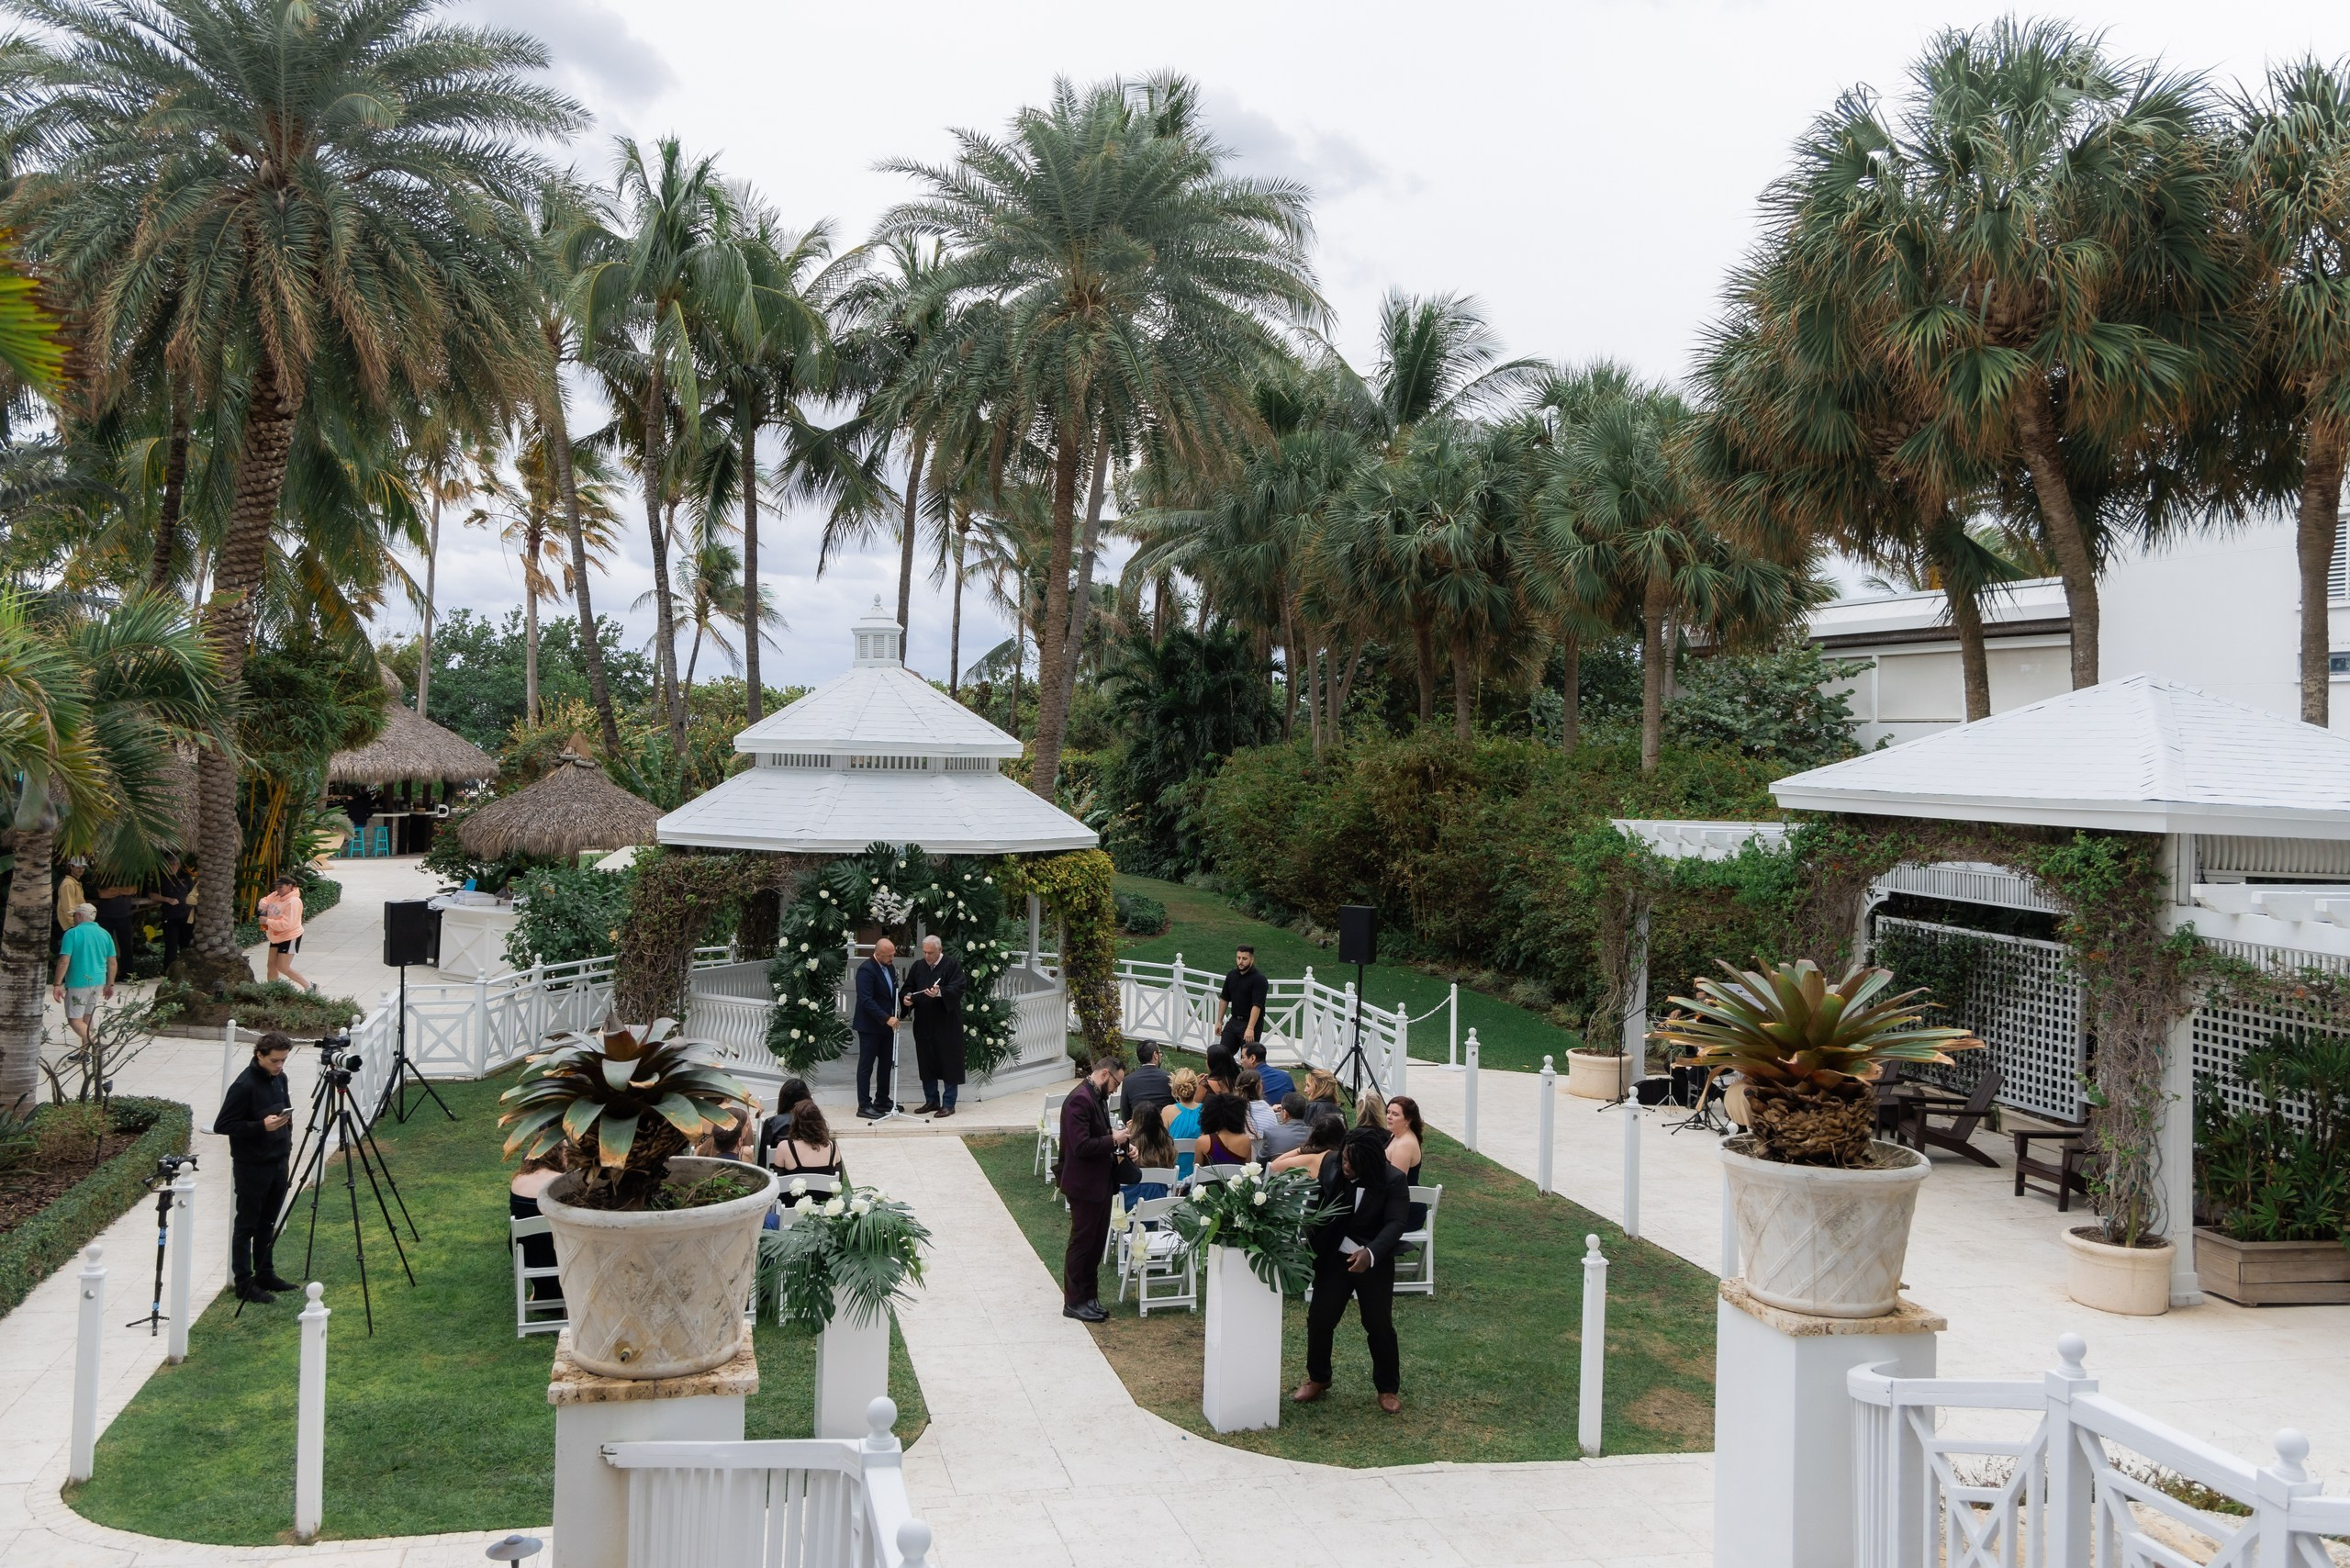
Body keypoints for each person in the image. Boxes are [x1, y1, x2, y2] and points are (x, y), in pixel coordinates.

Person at [1295, 1126, 1410, 1414]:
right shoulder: (1331, 1165)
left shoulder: (1393, 1180)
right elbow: (1315, 1203)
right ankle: (1319, 1377)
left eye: (1351, 1162)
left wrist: (1370, 1253)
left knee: (1378, 1325)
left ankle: (1387, 1388)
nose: (1345, 1165)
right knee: (1320, 1319)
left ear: (1368, 1162)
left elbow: (1396, 1223)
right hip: (1334, 1259)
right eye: (1344, 1158)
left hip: (1373, 1263)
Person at [214, 1032, 299, 1305]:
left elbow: (287, 1115)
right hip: (252, 1165)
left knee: (268, 1222)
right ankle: (243, 1282)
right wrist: (260, 1126)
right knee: (247, 1225)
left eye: (283, 1060)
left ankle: (265, 1274)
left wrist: (286, 1144)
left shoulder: (280, 1079)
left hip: (278, 1161)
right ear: (259, 1055)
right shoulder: (244, 1086)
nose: (279, 1066)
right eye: (275, 1060)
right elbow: (223, 1125)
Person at [1058, 1053, 1130, 1322]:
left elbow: (1099, 1135)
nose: (1116, 1089)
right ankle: (1074, 1301)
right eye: (1116, 1083)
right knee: (1082, 1243)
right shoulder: (1079, 1099)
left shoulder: (1097, 1097)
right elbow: (1081, 1146)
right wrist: (1113, 1140)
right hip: (1083, 1184)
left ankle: (1089, 1296)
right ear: (1104, 1074)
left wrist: (1122, 1143)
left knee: (1096, 1243)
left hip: (1100, 1183)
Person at [904, 934, 968, 1118]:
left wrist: (940, 992)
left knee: (949, 1062)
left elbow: (958, 987)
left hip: (947, 1024)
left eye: (931, 952)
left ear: (940, 950)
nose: (927, 956)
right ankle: (931, 1100)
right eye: (925, 952)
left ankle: (948, 1103)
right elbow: (908, 987)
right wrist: (907, 998)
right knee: (927, 1062)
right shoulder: (918, 966)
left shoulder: (952, 965)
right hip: (924, 1023)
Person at [53, 903, 117, 1048]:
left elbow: (64, 961)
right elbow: (112, 963)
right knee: (87, 1016)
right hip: (98, 981)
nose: (73, 918)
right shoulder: (105, 934)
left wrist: (57, 984)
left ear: (80, 915)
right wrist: (110, 984)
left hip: (78, 981)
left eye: (74, 915)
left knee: (74, 1019)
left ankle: (95, 1043)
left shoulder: (72, 933)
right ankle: (85, 1053)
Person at [852, 936, 902, 1119]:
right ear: (878, 954)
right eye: (889, 955)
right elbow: (866, 1000)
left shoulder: (889, 967)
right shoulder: (866, 970)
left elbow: (891, 993)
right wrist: (886, 1018)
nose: (892, 958)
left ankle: (882, 1099)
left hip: (887, 1026)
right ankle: (864, 1105)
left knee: (886, 1063)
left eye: (893, 954)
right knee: (867, 1065)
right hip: (870, 1026)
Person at [509, 1147, 565, 1301]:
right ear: (557, 1153)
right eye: (565, 1150)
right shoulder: (562, 1181)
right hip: (556, 1249)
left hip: (525, 1251)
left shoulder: (518, 1180)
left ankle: (543, 1293)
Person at [257, 875, 313, 992]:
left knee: (283, 967)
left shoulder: (294, 902)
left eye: (281, 887)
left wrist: (267, 921)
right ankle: (272, 990)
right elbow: (266, 899)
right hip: (276, 936)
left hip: (290, 936)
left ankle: (309, 987)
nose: (278, 889)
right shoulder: (276, 895)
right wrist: (263, 905)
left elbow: (286, 924)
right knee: (271, 964)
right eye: (276, 887)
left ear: (289, 886)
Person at [1120, 1102, 1178, 1213]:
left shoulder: (1130, 1147)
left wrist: (1128, 1134)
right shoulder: (1166, 1146)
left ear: (1135, 1122)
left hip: (1129, 1204)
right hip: (1159, 1203)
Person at [769, 1100, 844, 1182]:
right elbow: (838, 1182)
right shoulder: (832, 1147)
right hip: (825, 1190)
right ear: (820, 1122)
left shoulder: (784, 1147)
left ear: (795, 1123)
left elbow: (778, 1183)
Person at [1215, 945, 1268, 1056]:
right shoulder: (1231, 975)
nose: (1240, 961)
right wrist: (1219, 1021)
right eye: (1238, 958)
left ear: (1252, 959)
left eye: (1244, 959)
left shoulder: (1259, 979)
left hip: (1251, 1023)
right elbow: (1224, 999)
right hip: (1234, 1021)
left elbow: (1257, 1005)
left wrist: (1250, 1028)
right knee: (1222, 1055)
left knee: (1248, 1059)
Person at [755, 1077, 812, 1167]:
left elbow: (763, 1160)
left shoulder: (772, 1123)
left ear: (783, 1099)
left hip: (778, 1172)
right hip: (812, 1171)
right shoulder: (816, 1122)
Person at [1192, 1092, 1254, 1174]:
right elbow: (1248, 1171)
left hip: (1208, 1182)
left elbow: (1197, 1171)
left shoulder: (1202, 1141)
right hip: (1236, 1182)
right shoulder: (1246, 1141)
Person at [1270, 1111, 1346, 1176]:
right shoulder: (1346, 1159)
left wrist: (1303, 1149)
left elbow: (1274, 1166)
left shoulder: (1310, 1159)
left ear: (1314, 1135)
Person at [154, 856, 196, 972]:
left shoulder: (185, 876)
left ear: (179, 865)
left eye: (176, 864)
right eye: (171, 864)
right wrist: (167, 899)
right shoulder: (161, 877)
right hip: (170, 916)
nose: (173, 866)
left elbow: (193, 893)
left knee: (186, 945)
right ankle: (169, 972)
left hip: (186, 916)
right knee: (171, 945)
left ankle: (186, 971)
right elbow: (153, 895)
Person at [1161, 1069, 1203, 1181]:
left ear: (1175, 1091)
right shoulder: (1205, 1111)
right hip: (1197, 1176)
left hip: (1172, 1176)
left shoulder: (1167, 1112)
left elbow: (1161, 1143)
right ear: (1196, 1088)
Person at [1119, 1039, 1171, 1119]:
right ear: (1155, 1055)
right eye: (1160, 1053)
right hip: (1164, 1125)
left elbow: (1125, 1114)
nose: (1160, 1056)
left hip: (1138, 1125)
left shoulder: (1128, 1081)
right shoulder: (1169, 1078)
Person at [1238, 1040, 1294, 1106]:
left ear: (1252, 1058)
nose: (1241, 1061)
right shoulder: (1286, 1076)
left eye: (1243, 1057)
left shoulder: (1249, 1081)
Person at [1263, 1092, 1315, 1161]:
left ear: (1285, 1113)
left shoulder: (1271, 1133)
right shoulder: (1315, 1134)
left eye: (1281, 1109)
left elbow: (1261, 1160)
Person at [1237, 1069, 1278, 1154]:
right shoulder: (1268, 1110)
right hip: (1265, 1154)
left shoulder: (1232, 1110)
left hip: (1239, 1153)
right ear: (1258, 1087)